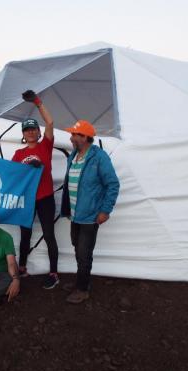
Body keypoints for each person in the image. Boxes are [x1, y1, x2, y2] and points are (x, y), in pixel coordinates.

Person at [61, 120, 120, 304]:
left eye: (74, 135)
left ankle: (82, 289)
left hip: (89, 216)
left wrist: (105, 210)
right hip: (75, 214)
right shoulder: (74, 155)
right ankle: (81, 280)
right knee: (78, 249)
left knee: (84, 253)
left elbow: (113, 184)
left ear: (85, 137)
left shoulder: (99, 157)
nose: (71, 138)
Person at [11, 90, 60, 289]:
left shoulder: (45, 147)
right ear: (23, 134)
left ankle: (53, 272)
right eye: (27, 130)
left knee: (49, 234)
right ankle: (22, 268)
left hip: (45, 197)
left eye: (33, 129)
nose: (30, 132)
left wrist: (38, 102)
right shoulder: (18, 153)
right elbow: (11, 176)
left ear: (38, 133)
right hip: (27, 200)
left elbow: (50, 123)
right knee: (25, 234)